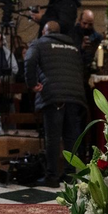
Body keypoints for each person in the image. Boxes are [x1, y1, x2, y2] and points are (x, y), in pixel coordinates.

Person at [24, 21, 87, 187]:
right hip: (75, 95)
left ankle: (51, 177)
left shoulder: (39, 43)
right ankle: (69, 174)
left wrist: (31, 84)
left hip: (53, 95)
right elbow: (81, 68)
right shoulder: (72, 46)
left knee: (52, 137)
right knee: (70, 137)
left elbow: (29, 60)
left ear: (45, 32)